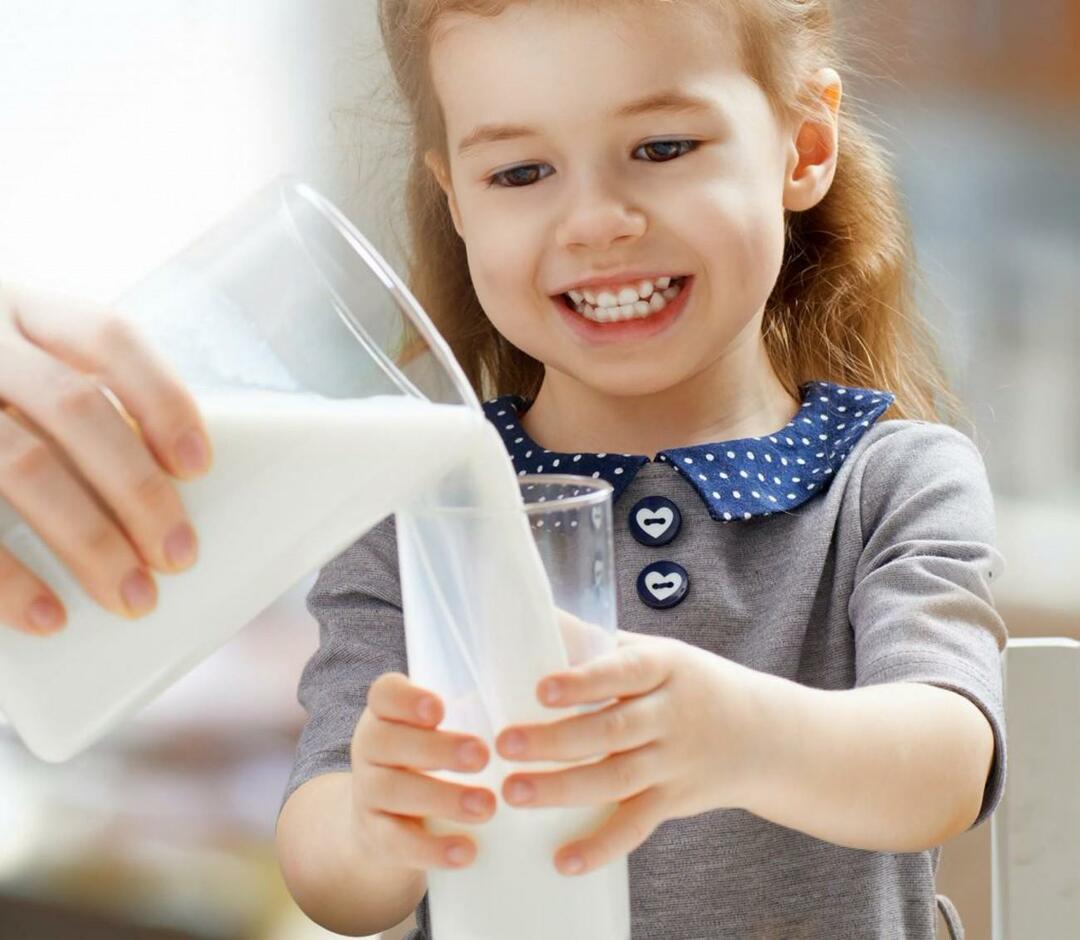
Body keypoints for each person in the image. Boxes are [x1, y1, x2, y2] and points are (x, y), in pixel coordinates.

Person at [0, 1, 1006, 938]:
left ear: (804, 147)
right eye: (521, 174)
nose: (595, 220)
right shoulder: (419, 496)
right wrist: (379, 821)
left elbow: (948, 766)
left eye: (662, 148)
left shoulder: (889, 482)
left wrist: (738, 733)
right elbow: (327, 865)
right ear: (458, 201)